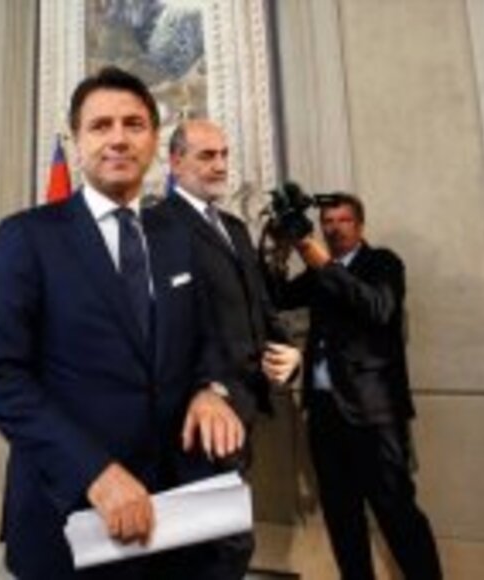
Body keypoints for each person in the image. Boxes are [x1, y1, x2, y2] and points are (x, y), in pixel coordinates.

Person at [0, 67, 245, 579]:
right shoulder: (25, 237)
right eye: (100, 126)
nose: (118, 138)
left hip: (177, 513)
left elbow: (207, 336)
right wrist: (92, 472)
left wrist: (210, 389)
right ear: (78, 142)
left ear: (154, 141)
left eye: (133, 124)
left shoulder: (178, 235)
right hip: (70, 511)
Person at [269, 193, 442, 580]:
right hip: (324, 412)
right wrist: (280, 252)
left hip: (374, 412)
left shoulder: (382, 263)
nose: (334, 229)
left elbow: (378, 308)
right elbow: (276, 299)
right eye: (327, 222)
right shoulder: (318, 273)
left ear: (360, 225)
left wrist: (321, 263)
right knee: (341, 516)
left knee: (397, 512)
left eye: (343, 221)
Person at [156, 119, 301, 577]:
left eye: (223, 155)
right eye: (206, 156)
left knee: (220, 546)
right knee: (224, 548)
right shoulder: (155, 226)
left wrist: (289, 354)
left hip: (246, 406)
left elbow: (262, 306)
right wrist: (200, 388)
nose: (220, 165)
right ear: (175, 162)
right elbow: (161, 326)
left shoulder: (235, 228)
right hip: (196, 414)